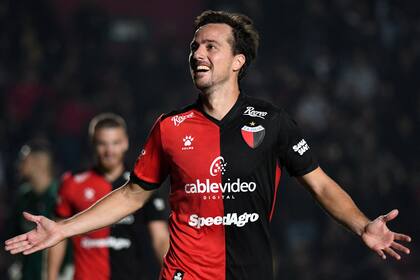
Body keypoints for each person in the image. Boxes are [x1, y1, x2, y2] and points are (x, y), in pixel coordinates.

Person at [5, 10, 411, 280]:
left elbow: (320, 184)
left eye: (210, 46)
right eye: (194, 47)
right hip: (186, 273)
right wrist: (63, 229)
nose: (197, 53)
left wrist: (362, 226)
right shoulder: (169, 127)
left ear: (238, 61)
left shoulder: (272, 122)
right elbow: (132, 195)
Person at [46, 113, 170, 280]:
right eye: (102, 144)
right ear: (93, 144)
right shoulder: (72, 183)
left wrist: (173, 274)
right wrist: (51, 277)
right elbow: (58, 234)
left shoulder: (142, 186)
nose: (109, 151)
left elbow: (161, 238)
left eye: (115, 143)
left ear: (125, 143)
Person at [7, 140, 72, 280]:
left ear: (40, 161)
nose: (19, 163)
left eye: (24, 158)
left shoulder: (62, 195)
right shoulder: (23, 196)